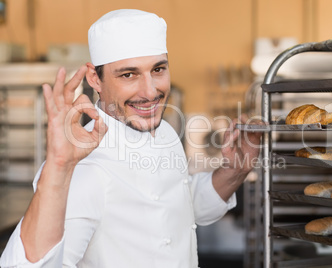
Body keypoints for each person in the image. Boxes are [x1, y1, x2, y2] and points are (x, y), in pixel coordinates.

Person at [0, 9, 261, 268]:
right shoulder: (82, 165)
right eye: (128, 75)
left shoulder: (165, 133)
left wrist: (235, 170)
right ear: (95, 79)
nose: (150, 91)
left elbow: (179, 211)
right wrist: (59, 166)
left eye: (158, 69)